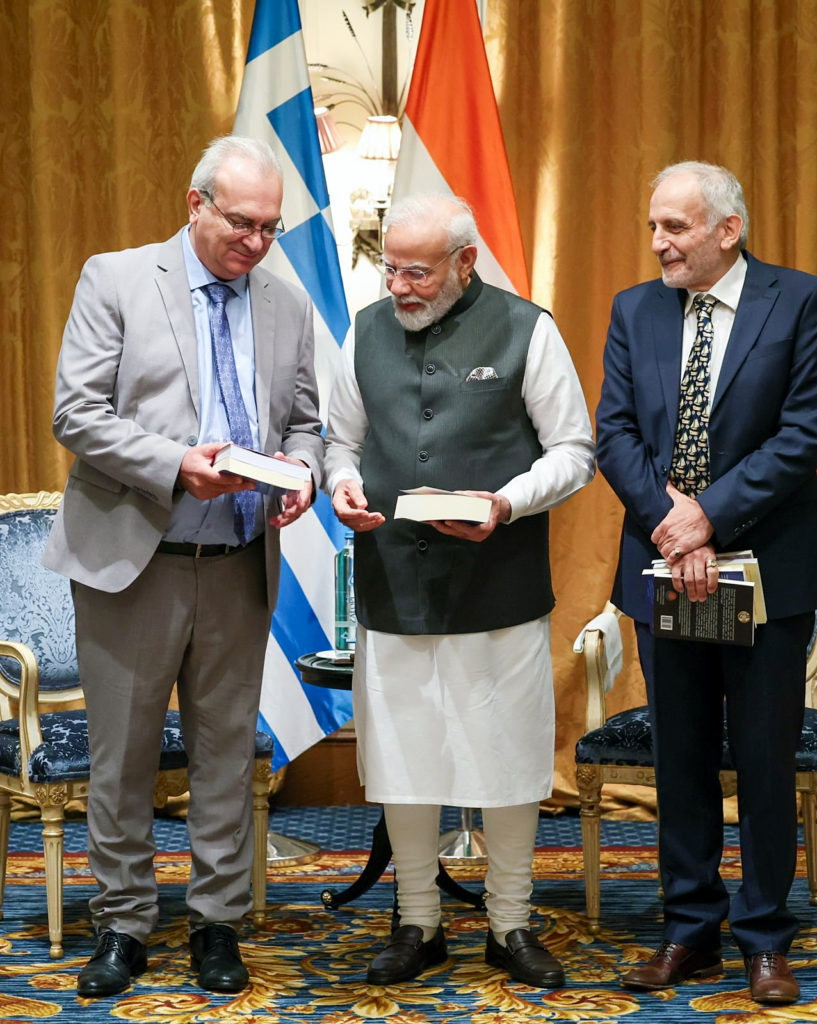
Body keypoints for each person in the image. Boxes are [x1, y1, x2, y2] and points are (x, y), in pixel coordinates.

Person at [43, 135, 324, 998]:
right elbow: (74, 413)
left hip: (238, 560)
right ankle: (123, 923)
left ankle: (215, 923)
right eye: (241, 222)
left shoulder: (285, 301)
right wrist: (174, 463)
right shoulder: (118, 277)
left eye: (272, 227)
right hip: (136, 558)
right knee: (122, 758)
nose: (257, 242)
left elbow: (306, 419)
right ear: (194, 203)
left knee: (225, 753)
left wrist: (303, 471)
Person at [324, 194, 595, 988]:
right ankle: (418, 921)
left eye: (418, 271)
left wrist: (506, 503)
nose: (400, 286)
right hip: (390, 584)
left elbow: (574, 449)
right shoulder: (365, 330)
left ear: (464, 263)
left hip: (497, 587)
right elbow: (341, 440)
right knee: (402, 759)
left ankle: (510, 922)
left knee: (506, 756)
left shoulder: (526, 327)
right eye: (390, 268)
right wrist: (340, 484)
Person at [595, 161, 817, 1005]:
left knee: (767, 758)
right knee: (682, 756)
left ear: (726, 231)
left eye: (674, 228)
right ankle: (689, 929)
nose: (658, 243)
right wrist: (676, 522)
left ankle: (767, 935)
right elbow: (616, 433)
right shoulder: (636, 310)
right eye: (654, 227)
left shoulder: (800, 300)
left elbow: (803, 434)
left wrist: (710, 516)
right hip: (666, 564)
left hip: (768, 565)